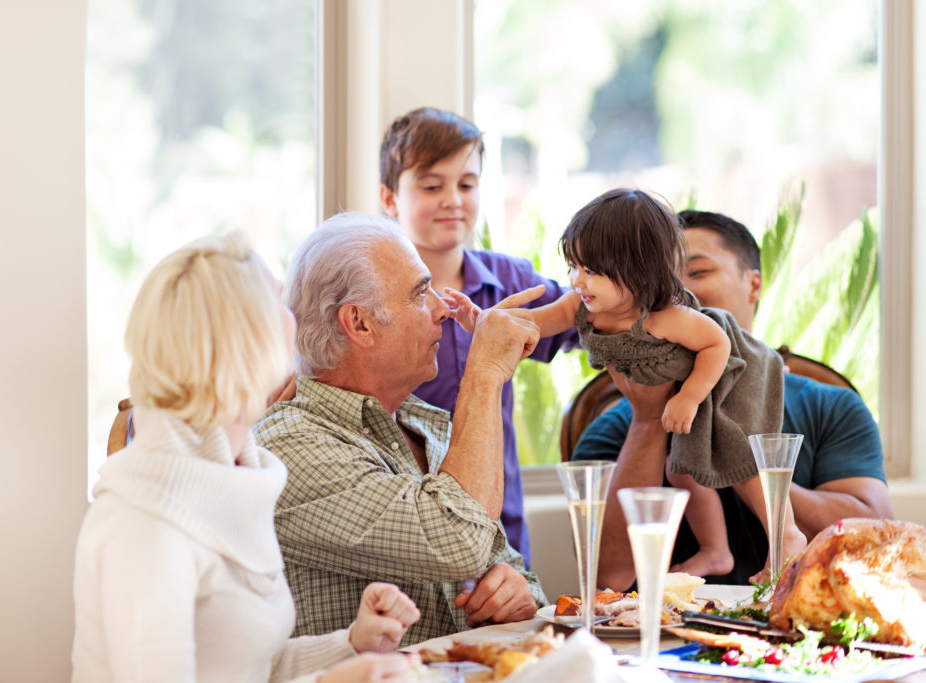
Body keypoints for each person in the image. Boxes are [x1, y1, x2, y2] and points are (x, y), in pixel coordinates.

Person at [72, 232, 421, 683]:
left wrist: (352, 643)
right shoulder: (144, 521)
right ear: (243, 343)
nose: (294, 316)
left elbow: (254, 668)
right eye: (278, 301)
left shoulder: (240, 475)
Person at [448, 188, 799, 581]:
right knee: (682, 467)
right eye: (574, 266)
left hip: (726, 374)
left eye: (592, 270)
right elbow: (533, 323)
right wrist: (482, 322)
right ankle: (716, 551)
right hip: (684, 386)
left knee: (737, 458)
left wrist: (689, 397)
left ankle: (786, 536)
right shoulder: (580, 304)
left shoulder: (663, 317)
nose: (577, 280)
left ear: (639, 270)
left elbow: (717, 344)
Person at [254, 212, 548, 647]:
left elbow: (516, 572)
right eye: (419, 293)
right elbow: (458, 540)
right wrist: (484, 375)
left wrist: (518, 595)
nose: (443, 308)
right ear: (359, 323)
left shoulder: (426, 425)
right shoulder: (288, 446)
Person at [574, 209, 895, 590]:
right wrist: (647, 420)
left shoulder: (831, 409)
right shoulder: (614, 427)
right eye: (654, 280)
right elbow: (607, 580)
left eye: (696, 273)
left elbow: (875, 540)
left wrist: (730, 462)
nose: (673, 294)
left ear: (753, 285)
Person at [378, 107, 579, 565]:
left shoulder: (511, 282)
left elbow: (585, 320)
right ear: (390, 199)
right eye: (432, 186)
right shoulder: (370, 297)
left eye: (467, 184)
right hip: (410, 535)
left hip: (501, 537)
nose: (453, 199)